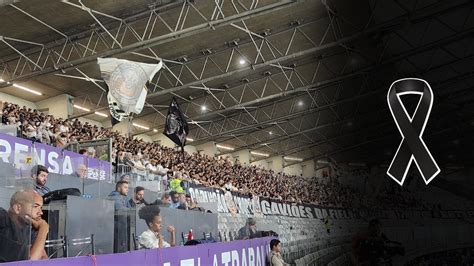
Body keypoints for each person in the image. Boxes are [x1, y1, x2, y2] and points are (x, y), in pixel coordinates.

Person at [0, 190, 49, 262]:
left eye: (41, 208)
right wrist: (44, 229)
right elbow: (30, 262)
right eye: (35, 206)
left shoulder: (29, 229)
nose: (41, 212)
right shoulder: (3, 221)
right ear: (17, 208)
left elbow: (43, 258)